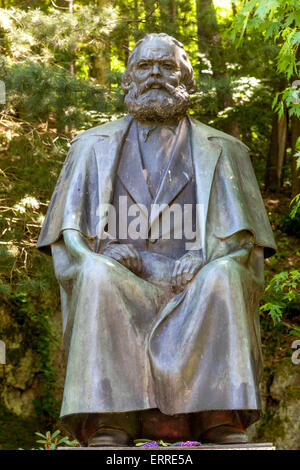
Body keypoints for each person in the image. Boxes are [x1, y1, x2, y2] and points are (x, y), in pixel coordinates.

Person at [37, 33, 277, 446]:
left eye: (167, 67)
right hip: (120, 277)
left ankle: (217, 416)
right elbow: (68, 232)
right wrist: (102, 253)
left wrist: (207, 257)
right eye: (145, 67)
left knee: (225, 275)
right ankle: (112, 420)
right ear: (128, 77)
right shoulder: (90, 146)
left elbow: (245, 241)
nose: (155, 76)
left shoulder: (226, 148)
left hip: (195, 280)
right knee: (94, 274)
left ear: (187, 78)